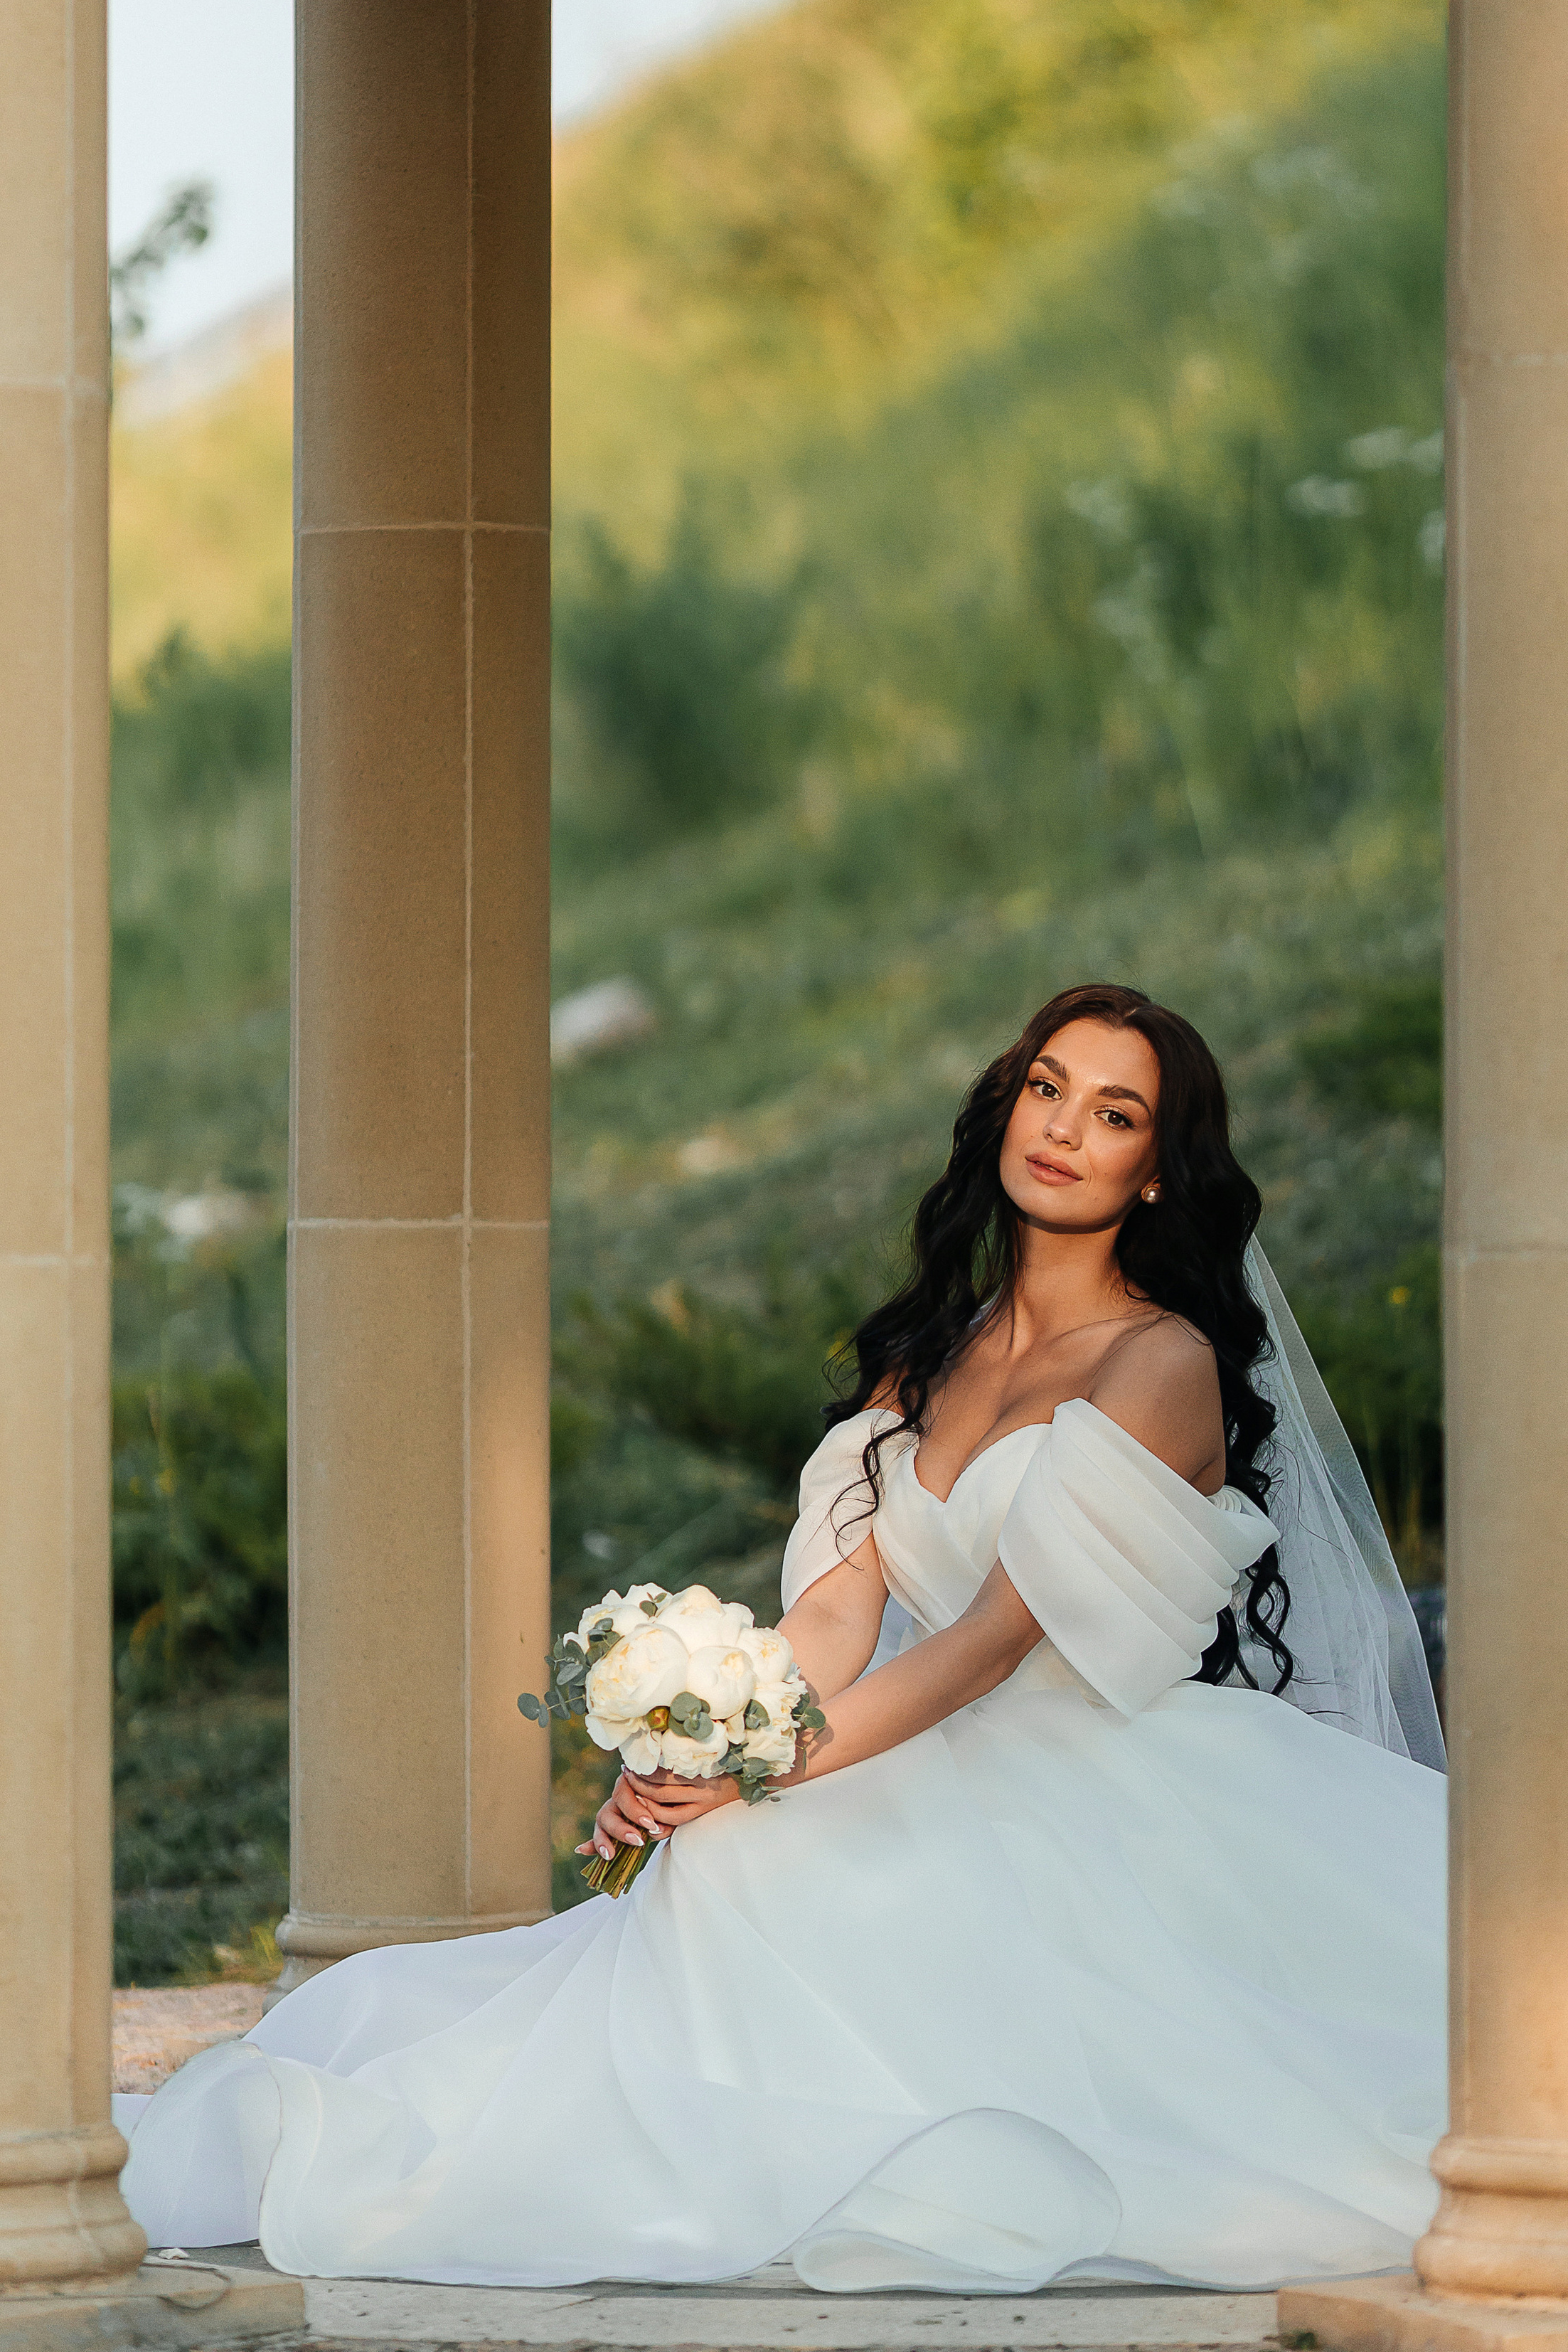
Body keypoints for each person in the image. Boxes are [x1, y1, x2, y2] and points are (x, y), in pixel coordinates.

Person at [118, 982, 1446, 2297]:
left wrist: (770, 1770)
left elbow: (987, 1644)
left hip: (1087, 1764)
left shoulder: (1156, 1362)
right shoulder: (937, 1350)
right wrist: (708, 1741)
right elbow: (835, 1611)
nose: (1062, 1128)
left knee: (770, 1851)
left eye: (1113, 1114)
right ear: (1007, 1103)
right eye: (1047, 1088)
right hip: (920, 1734)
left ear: (1157, 1173)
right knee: (727, 1855)